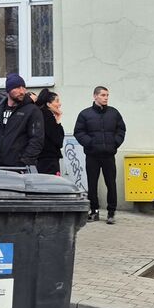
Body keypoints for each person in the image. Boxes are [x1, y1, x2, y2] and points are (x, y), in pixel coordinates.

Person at [74, 86, 126, 224]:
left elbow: (121, 130)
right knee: (92, 183)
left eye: (107, 95)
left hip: (108, 155)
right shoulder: (85, 114)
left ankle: (111, 212)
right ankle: (94, 211)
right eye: (103, 95)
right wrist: (90, 143)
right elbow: (79, 132)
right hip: (92, 155)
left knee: (111, 183)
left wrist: (114, 143)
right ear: (95, 96)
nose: (106, 98)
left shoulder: (114, 113)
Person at [0, 73, 44, 169]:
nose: (22, 91)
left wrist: (24, 163)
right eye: (17, 87)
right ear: (8, 89)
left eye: (23, 87)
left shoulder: (32, 110)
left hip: (20, 168)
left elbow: (37, 140)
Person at [35, 88, 64, 176]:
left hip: (41, 157)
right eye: (57, 101)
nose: (60, 104)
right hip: (49, 158)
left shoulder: (39, 114)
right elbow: (58, 140)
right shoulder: (48, 116)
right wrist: (58, 120)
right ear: (48, 104)